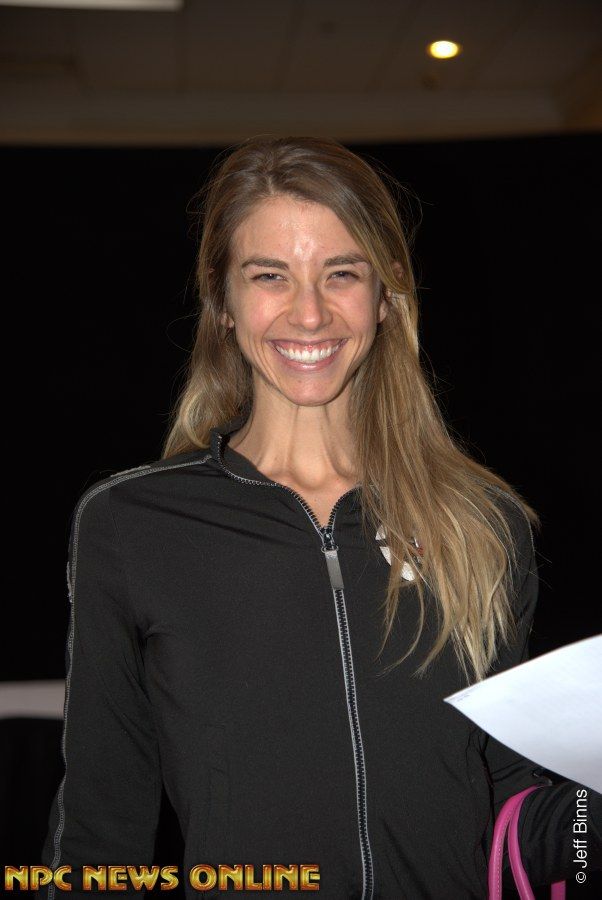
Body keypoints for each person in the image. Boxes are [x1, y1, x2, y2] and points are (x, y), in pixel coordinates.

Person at [38, 135, 600, 899]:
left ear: (386, 296)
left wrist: (587, 830)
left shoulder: (481, 521)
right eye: (270, 275)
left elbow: (515, 808)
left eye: (342, 273)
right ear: (222, 301)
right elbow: (100, 832)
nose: (309, 313)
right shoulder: (132, 526)